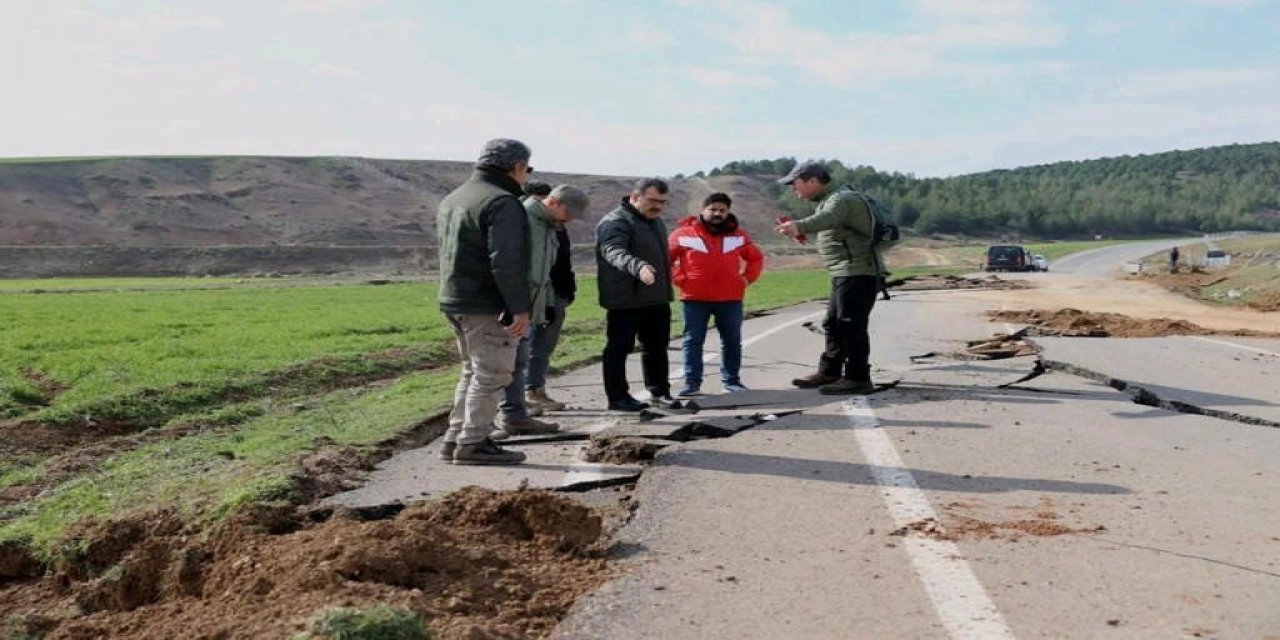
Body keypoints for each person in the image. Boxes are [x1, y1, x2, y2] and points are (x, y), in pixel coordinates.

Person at [437, 138, 534, 465]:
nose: (526, 176)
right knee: (492, 374)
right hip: (485, 303)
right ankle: (473, 443)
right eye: (527, 169)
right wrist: (518, 307)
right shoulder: (501, 201)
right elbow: (506, 260)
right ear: (517, 167)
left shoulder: (455, 197)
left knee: (472, 371)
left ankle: (456, 437)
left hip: (456, 299)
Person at [775, 161, 884, 395]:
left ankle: (858, 378)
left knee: (850, 324)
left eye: (795, 184)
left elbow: (829, 218)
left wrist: (799, 226)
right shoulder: (832, 198)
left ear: (813, 181)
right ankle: (830, 371)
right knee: (833, 323)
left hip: (857, 270)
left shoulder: (842, 199)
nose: (793, 190)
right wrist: (801, 229)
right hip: (844, 271)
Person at [495, 184, 589, 435]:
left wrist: (547, 303)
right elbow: (507, 265)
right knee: (504, 364)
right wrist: (512, 305)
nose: (570, 220)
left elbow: (544, 273)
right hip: (516, 306)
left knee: (520, 360)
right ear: (554, 202)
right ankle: (496, 420)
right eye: (569, 213)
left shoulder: (549, 226)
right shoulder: (522, 219)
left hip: (533, 304)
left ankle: (516, 415)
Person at [668, 192, 764, 396]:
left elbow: (756, 258)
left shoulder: (738, 235)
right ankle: (692, 384)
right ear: (703, 210)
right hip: (694, 299)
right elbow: (664, 260)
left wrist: (746, 279)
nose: (717, 213)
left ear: (728, 212)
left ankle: (731, 381)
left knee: (731, 341)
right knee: (693, 341)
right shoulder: (682, 234)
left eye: (722, 210)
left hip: (730, 299)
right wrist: (680, 279)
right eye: (712, 209)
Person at [596, 177, 675, 411]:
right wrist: (638, 267)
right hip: (625, 299)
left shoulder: (656, 222)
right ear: (635, 197)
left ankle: (660, 392)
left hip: (656, 297)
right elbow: (613, 251)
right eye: (652, 200)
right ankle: (618, 397)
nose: (658, 206)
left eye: (662, 202)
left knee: (657, 347)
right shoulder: (615, 222)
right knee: (619, 348)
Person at [525, 184, 580, 413]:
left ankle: (536, 390)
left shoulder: (556, 226)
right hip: (532, 296)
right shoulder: (527, 222)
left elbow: (562, 261)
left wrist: (568, 290)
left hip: (555, 293)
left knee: (544, 346)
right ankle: (523, 396)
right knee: (526, 346)